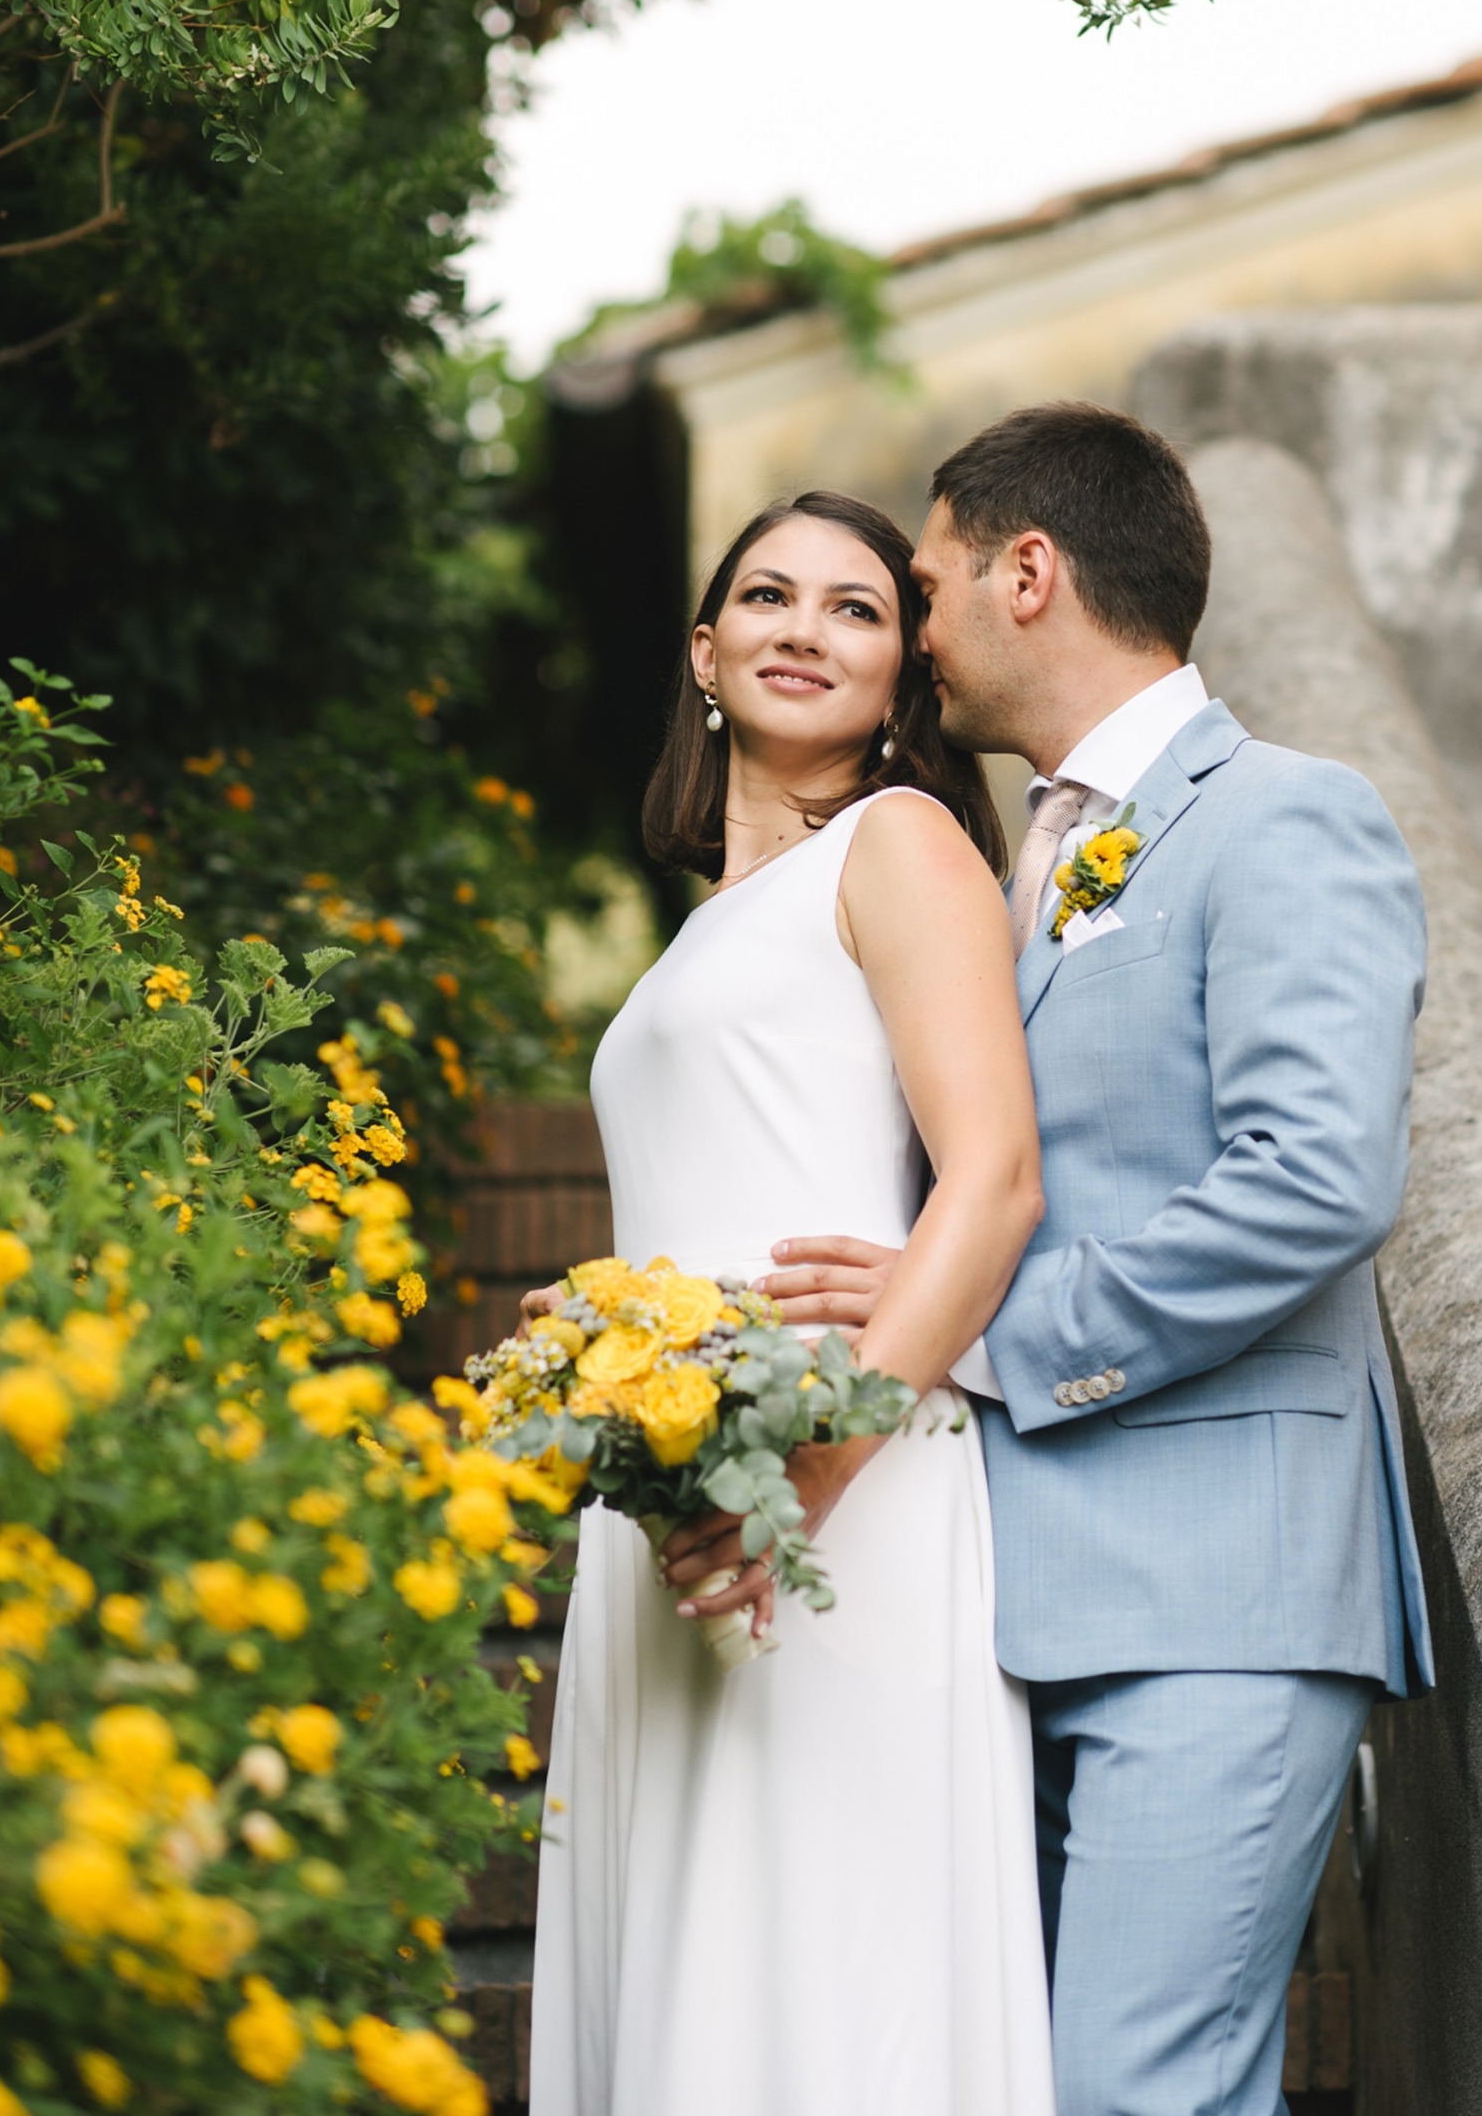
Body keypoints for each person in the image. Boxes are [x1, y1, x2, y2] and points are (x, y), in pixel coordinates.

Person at [762, 404, 1435, 2116]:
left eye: (919, 584)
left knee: (1140, 2094)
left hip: (1217, 1598)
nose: (910, 632)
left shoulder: (1287, 816)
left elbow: (1311, 1180)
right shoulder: (1008, 863)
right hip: (1002, 1598)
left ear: (1027, 572)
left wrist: (991, 1336)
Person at [526, 489, 1058, 2116]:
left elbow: (995, 1179)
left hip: (846, 1484)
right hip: (679, 1488)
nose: (803, 630)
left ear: (904, 674)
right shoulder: (702, 927)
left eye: (854, 609)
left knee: (831, 1974)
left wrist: (809, 1472)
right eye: (767, 596)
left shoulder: (895, 845)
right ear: (705, 650)